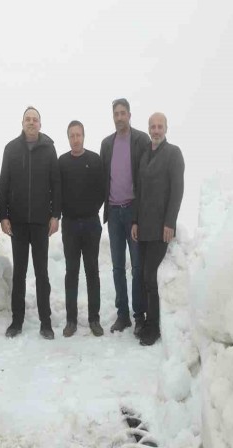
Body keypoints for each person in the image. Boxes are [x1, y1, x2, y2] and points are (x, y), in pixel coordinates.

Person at [0, 106, 61, 340]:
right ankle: (17, 321)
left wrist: (55, 215)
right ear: (22, 123)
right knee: (19, 274)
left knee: (42, 273)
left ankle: (46, 322)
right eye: (28, 119)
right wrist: (3, 216)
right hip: (18, 223)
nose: (31, 122)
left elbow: (56, 183)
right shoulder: (11, 149)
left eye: (35, 119)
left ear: (40, 124)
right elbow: (3, 183)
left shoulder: (49, 149)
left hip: (41, 222)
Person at [131, 112, 185, 346]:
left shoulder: (173, 153)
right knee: (142, 276)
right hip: (143, 227)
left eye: (159, 126)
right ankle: (145, 321)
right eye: (152, 126)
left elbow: (177, 189)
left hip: (160, 228)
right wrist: (134, 221)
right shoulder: (145, 155)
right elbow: (139, 191)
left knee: (150, 276)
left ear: (166, 129)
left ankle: (153, 328)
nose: (155, 130)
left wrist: (170, 223)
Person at [99, 98, 151, 335]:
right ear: (113, 117)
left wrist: (140, 216)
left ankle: (139, 315)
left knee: (137, 266)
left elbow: (146, 178)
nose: (119, 117)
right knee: (117, 266)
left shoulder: (141, 140)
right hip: (113, 211)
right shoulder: (106, 144)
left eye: (123, 113)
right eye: (116, 114)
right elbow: (102, 178)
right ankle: (123, 315)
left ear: (129, 115)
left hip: (133, 211)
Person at [58, 120, 105, 337]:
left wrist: (91, 209)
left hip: (91, 223)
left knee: (92, 271)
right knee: (71, 272)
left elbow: (102, 190)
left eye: (78, 135)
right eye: (72, 136)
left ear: (83, 136)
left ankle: (94, 319)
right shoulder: (62, 162)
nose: (75, 139)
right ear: (68, 138)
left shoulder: (94, 160)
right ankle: (71, 320)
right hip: (69, 224)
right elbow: (57, 191)